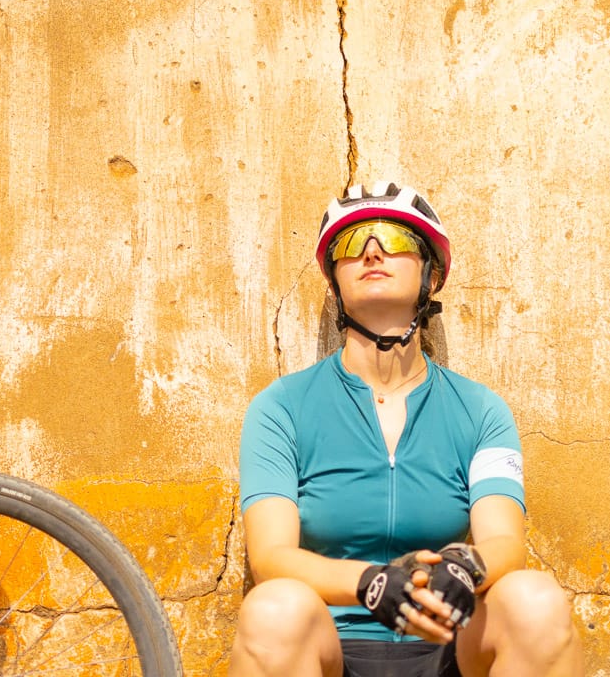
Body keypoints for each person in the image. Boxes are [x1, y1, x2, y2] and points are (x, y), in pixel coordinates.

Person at [231, 182, 584, 677]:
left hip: (449, 648)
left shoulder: (480, 410)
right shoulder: (281, 409)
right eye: (351, 245)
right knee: (273, 611)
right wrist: (370, 581)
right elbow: (270, 557)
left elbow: (505, 541)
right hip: (332, 647)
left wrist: (466, 564)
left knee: (535, 599)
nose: (373, 251)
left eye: (394, 239)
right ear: (334, 282)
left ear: (430, 275)